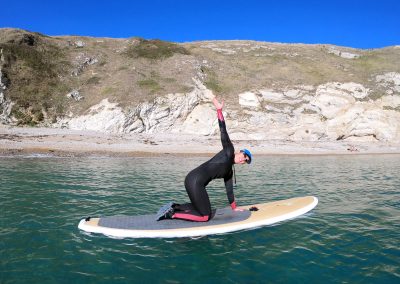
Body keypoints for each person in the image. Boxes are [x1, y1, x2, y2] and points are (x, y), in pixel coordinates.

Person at [156, 97, 252, 222]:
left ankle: (174, 206)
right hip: (195, 181)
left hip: (194, 180)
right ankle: (172, 214)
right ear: (240, 152)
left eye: (245, 161)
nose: (242, 159)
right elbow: (223, 131)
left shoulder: (229, 172)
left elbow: (229, 191)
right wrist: (219, 110)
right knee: (205, 216)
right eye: (244, 156)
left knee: (203, 208)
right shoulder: (229, 151)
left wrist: (234, 208)